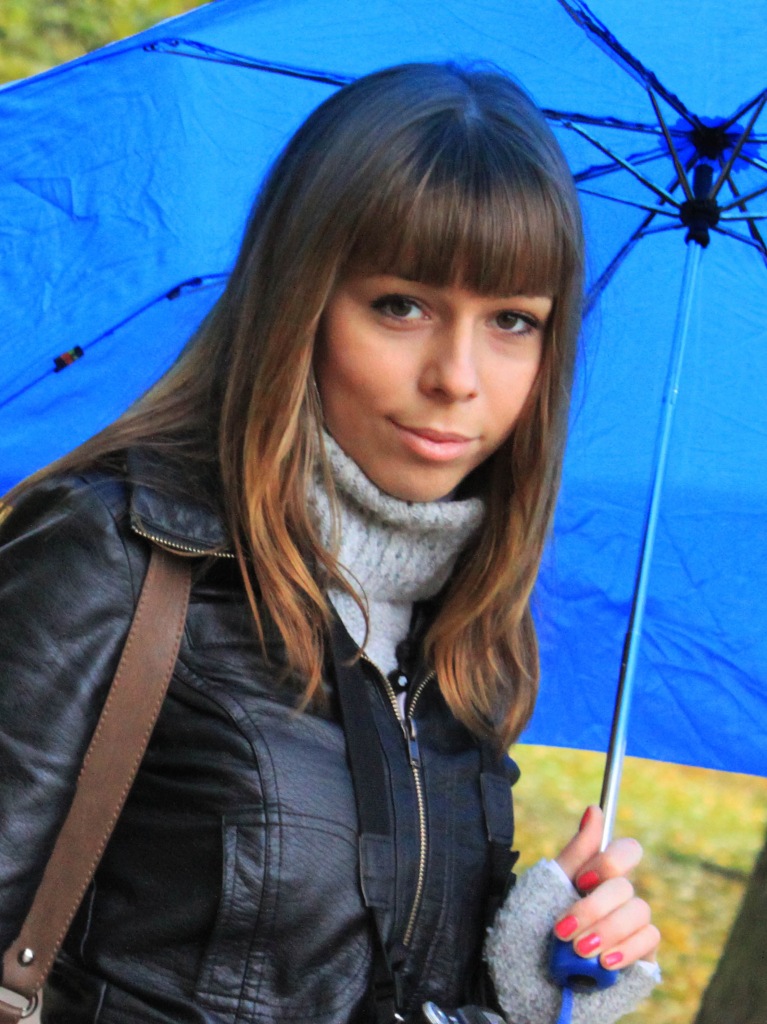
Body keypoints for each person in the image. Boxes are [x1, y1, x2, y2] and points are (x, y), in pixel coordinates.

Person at [0, 62, 660, 1024]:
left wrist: (520, 988)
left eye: (512, 321)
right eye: (402, 305)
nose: (457, 376)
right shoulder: (117, 551)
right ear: (300, 300)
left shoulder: (465, 638)